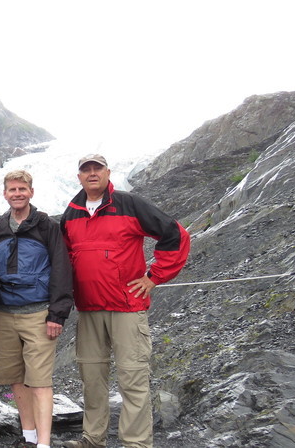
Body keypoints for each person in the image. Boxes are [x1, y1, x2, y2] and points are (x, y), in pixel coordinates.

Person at [59, 154, 190, 448]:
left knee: (132, 379)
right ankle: (93, 439)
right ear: (79, 177)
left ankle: (136, 443)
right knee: (92, 379)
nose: (92, 173)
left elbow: (175, 234)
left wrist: (154, 277)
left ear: (107, 172)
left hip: (127, 308)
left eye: (97, 168)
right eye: (86, 170)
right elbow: (65, 257)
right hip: (89, 310)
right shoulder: (71, 213)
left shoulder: (128, 204)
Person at [0, 170, 74, 448]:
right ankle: (29, 437)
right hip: (3, 314)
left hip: (39, 314)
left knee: (40, 381)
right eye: (12, 189)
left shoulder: (46, 225)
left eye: (22, 189)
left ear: (31, 192)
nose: (17, 194)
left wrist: (57, 314)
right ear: (5, 194)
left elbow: (61, 268)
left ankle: (44, 444)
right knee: (16, 379)